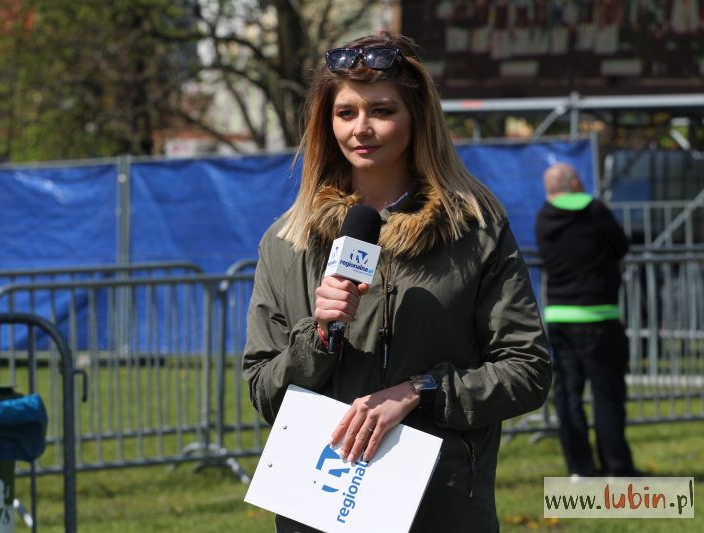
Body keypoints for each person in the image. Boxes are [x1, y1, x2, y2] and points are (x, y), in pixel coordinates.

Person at [243, 31, 551, 532]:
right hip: (319, 511)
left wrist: (420, 391)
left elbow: (527, 371)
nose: (361, 128)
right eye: (346, 113)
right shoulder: (286, 241)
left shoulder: (475, 229)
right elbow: (264, 392)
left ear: (417, 118)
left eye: (382, 111)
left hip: (441, 509)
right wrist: (317, 336)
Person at [534, 163, 636, 478]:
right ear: (576, 183)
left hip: (560, 316)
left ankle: (580, 469)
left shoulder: (544, 218)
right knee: (607, 395)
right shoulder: (595, 211)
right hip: (599, 315)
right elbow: (621, 246)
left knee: (568, 396)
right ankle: (616, 467)